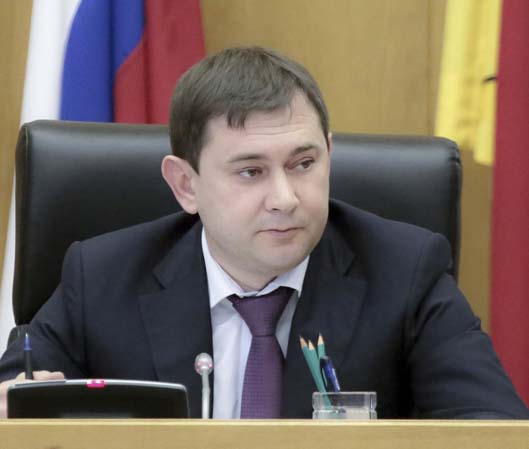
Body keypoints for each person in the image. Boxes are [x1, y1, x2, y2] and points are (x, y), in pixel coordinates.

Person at [0, 47, 527, 419]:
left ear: (329, 154)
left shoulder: (405, 270)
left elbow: (493, 429)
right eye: (251, 171)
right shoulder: (101, 276)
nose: (285, 197)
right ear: (186, 185)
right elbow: (14, 393)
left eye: (303, 163)